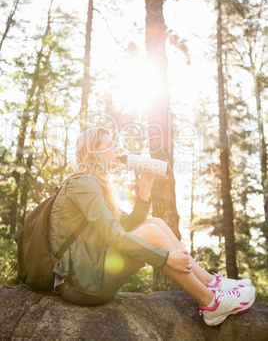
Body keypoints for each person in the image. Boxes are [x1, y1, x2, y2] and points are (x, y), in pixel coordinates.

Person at [48, 127, 256, 326]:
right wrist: (165, 258)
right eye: (110, 146)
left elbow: (128, 224)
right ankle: (212, 303)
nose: (117, 150)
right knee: (152, 231)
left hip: (90, 273)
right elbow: (115, 237)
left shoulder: (93, 183)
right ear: (94, 152)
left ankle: (212, 284)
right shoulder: (83, 184)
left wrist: (145, 186)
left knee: (155, 223)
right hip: (80, 284)